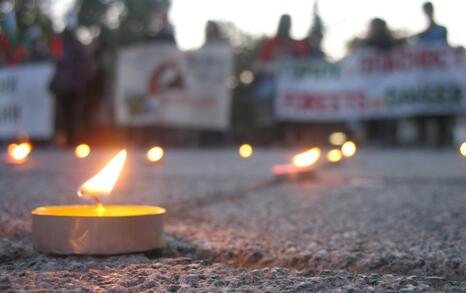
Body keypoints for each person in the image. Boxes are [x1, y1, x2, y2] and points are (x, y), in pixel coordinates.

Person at [415, 2, 451, 147]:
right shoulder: (421, 35)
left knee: (442, 105)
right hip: (426, 77)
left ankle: (444, 137)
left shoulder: (441, 30)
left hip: (440, 75)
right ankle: (425, 139)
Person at [49, 28, 92, 146]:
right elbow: (86, 65)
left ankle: (70, 140)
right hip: (75, 87)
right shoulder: (79, 49)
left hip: (66, 88)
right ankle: (72, 140)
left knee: (67, 114)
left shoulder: (64, 49)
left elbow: (58, 64)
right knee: (74, 114)